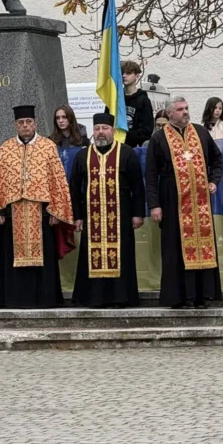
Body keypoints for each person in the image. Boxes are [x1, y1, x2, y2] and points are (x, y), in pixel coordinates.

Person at [0, 105, 75, 309]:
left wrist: (57, 210)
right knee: (11, 257)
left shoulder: (47, 146)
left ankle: (45, 298)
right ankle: (12, 299)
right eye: (21, 123)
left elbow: (58, 180)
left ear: (35, 123)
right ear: (15, 125)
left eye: (28, 122)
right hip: (12, 213)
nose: (25, 126)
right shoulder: (6, 148)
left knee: (44, 257)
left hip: (42, 213)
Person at [146, 96, 223, 308]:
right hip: (172, 200)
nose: (185, 112)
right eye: (180, 109)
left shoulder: (200, 132)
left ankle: (202, 295)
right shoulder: (159, 138)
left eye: (187, 108)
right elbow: (151, 174)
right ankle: (179, 296)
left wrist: (214, 180)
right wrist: (154, 205)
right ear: (170, 113)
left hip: (200, 202)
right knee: (175, 248)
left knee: (202, 246)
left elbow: (217, 159)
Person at [68, 114, 145, 308]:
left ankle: (120, 297)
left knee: (122, 255)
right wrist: (77, 216)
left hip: (121, 216)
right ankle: (93, 298)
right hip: (91, 218)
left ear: (112, 130)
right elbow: (74, 188)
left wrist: (138, 214)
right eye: (97, 128)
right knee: (91, 255)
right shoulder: (82, 156)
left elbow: (138, 186)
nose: (100, 132)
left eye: (105, 128)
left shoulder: (126, 153)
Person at [121, 61, 155, 147]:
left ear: (137, 76)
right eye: (122, 73)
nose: (124, 76)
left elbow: (147, 129)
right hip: (118, 145)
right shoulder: (116, 99)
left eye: (128, 73)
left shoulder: (143, 100)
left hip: (136, 147)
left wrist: (127, 136)